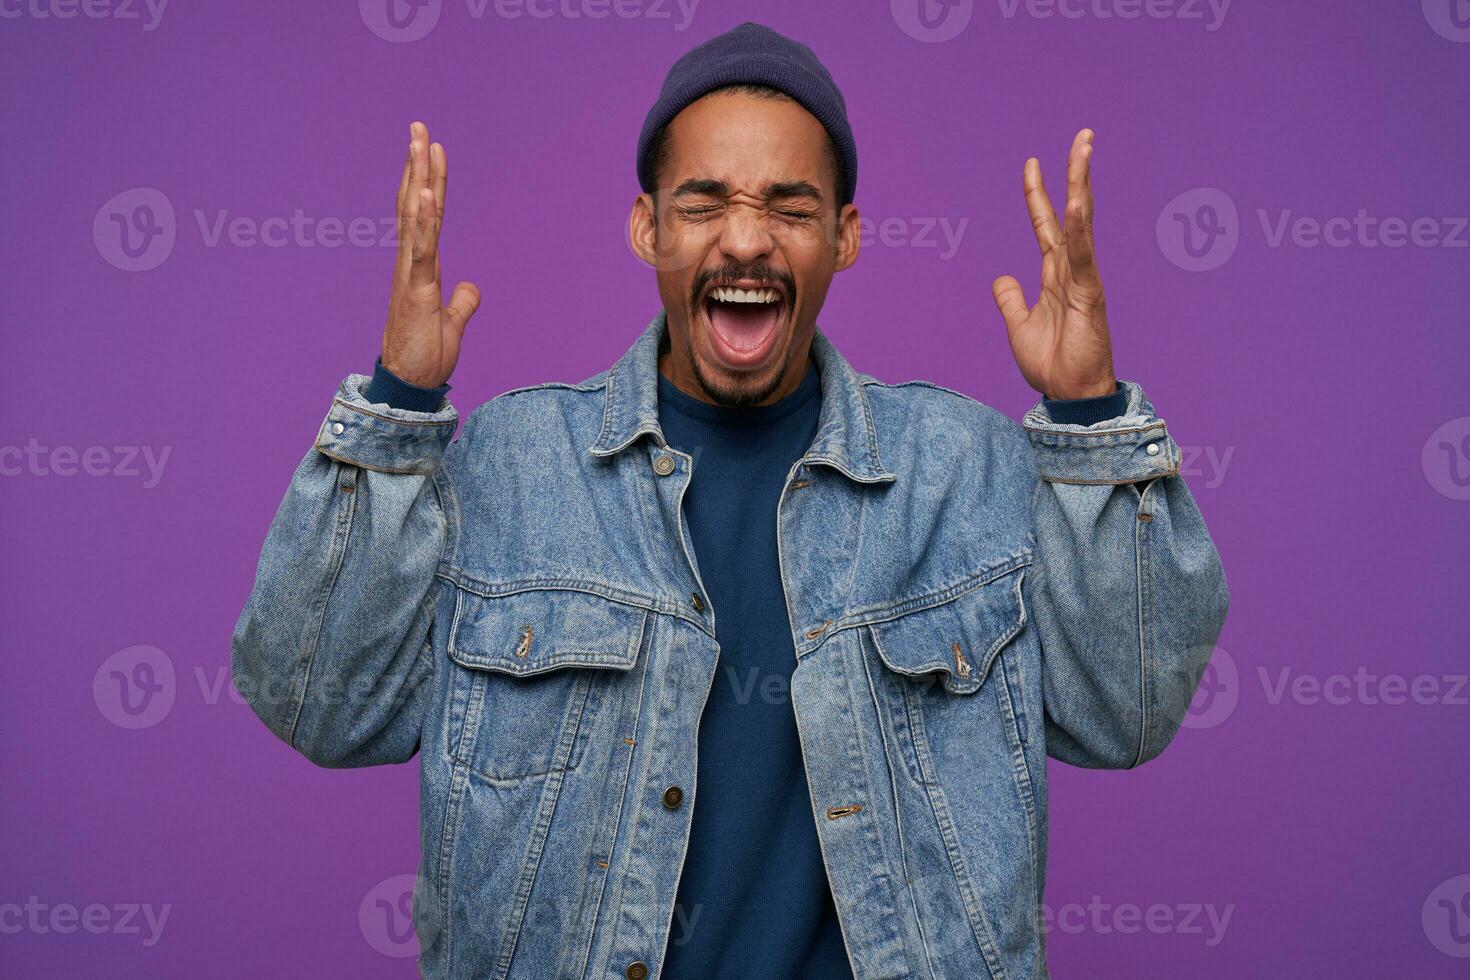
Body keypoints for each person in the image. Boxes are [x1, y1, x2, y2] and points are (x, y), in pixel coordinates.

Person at [232, 21, 1228, 979]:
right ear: (647, 226)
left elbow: (1124, 710)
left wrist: (1088, 414)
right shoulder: (507, 467)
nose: (746, 241)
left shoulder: (961, 469)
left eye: (791, 209)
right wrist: (398, 409)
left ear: (844, 238)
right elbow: (324, 705)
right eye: (703, 203)